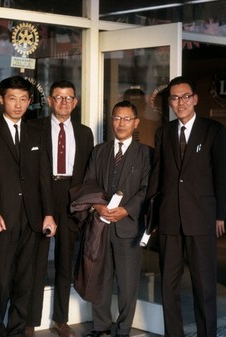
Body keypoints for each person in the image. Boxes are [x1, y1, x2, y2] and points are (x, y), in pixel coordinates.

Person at [147, 76, 226, 337]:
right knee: (168, 286)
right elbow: (158, 175)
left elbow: (222, 175)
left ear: (195, 99)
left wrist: (219, 215)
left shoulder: (213, 130)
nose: (180, 102)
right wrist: (152, 217)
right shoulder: (164, 133)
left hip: (202, 218)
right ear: (169, 102)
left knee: (204, 286)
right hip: (170, 218)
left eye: (185, 96)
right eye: (174, 97)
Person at [25, 80, 94, 337]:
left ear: (75, 102)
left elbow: (88, 172)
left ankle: (60, 320)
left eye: (69, 98)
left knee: (66, 262)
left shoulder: (85, 133)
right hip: (44, 193)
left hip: (71, 198)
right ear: (51, 101)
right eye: (59, 97)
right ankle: (30, 322)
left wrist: (84, 205)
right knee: (37, 261)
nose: (64, 102)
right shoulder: (35, 127)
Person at [82, 100, 152, 337]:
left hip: (128, 227)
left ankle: (123, 330)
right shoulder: (99, 151)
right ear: (111, 120)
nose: (121, 123)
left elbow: (146, 189)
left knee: (127, 283)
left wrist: (127, 210)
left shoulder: (145, 154)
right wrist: (99, 207)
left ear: (136, 123)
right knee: (99, 277)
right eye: (116, 118)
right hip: (100, 225)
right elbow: (89, 183)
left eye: (126, 119)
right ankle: (100, 326)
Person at [0, 76, 57, 337]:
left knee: (24, 280)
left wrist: (49, 214)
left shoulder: (35, 132)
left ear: (30, 101)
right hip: (3, 218)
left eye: (23, 99)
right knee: (0, 280)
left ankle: (17, 331)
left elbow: (44, 175)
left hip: (32, 219)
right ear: (1, 100)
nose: (18, 105)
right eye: (12, 98)